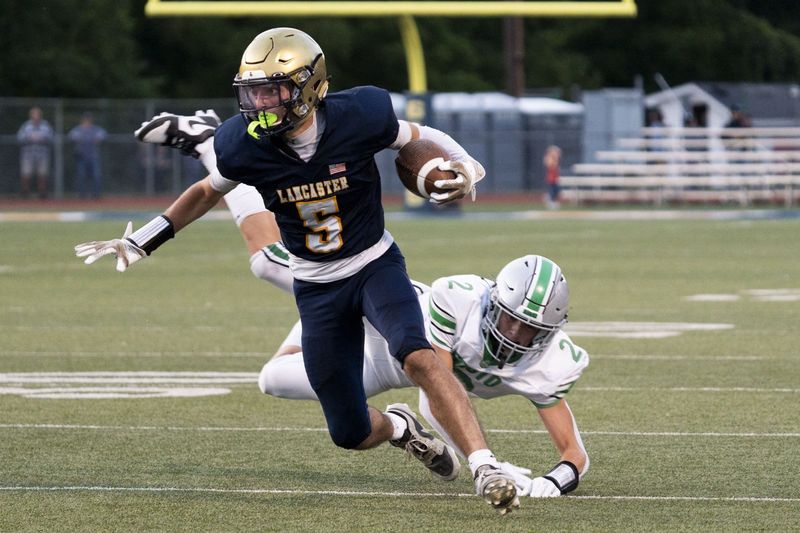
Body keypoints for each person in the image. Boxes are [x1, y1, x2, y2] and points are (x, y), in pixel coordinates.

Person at [74, 27, 520, 513]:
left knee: (418, 355)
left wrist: (465, 163)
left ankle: (485, 465)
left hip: (374, 263)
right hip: (315, 284)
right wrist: (145, 238)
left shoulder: (359, 116)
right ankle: (399, 428)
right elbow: (208, 192)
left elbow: (419, 136)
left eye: (272, 90)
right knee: (349, 432)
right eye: (252, 91)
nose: (259, 102)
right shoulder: (244, 144)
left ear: (310, 87)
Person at [258, 255, 590, 499]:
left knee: (272, 379)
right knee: (264, 263)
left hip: (379, 370)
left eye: (530, 328)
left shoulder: (552, 361)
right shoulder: (459, 300)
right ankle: (223, 170)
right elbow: (434, 393)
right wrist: (489, 464)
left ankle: (398, 426)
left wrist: (557, 480)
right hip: (372, 322)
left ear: (549, 332)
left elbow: (574, 454)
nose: (515, 334)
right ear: (494, 302)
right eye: (509, 319)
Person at [16, 106, 54, 199]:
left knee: (42, 174)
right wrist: (28, 137)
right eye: (34, 114)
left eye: (37, 114)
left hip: (42, 153)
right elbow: (19, 137)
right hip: (28, 154)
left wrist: (42, 138)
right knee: (26, 173)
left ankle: (42, 194)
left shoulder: (45, 125)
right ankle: (24, 193)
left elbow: (51, 136)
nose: (36, 116)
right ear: (31, 115)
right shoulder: (26, 125)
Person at [68, 112, 107, 199]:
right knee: (81, 176)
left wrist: (96, 139)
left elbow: (103, 134)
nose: (87, 122)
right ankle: (81, 195)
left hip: (93, 156)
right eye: (86, 120)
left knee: (96, 175)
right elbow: (71, 135)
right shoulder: (78, 129)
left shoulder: (95, 129)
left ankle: (96, 194)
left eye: (89, 120)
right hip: (81, 157)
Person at [543, 145, 562, 209]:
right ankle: (550, 200)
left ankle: (551, 199)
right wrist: (554, 157)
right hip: (551, 177)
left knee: (557, 190)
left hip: (555, 177)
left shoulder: (554, 158)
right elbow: (550, 165)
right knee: (552, 190)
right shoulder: (549, 158)